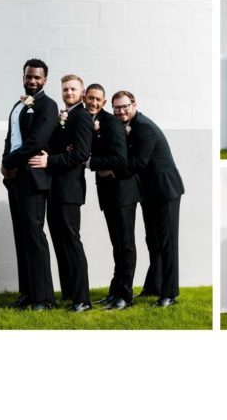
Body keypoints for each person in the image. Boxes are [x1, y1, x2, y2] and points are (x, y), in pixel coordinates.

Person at [113, 91, 185, 308]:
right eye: (116, 108)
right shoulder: (129, 126)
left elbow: (138, 163)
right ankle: (154, 285)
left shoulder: (144, 126)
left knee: (167, 243)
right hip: (148, 192)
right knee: (152, 241)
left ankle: (169, 294)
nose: (121, 111)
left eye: (125, 106)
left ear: (134, 104)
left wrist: (110, 170)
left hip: (165, 191)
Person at [30, 74, 92, 313]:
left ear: (82, 92)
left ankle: (82, 299)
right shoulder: (63, 116)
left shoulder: (82, 117)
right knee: (60, 244)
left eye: (73, 89)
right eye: (65, 89)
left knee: (71, 243)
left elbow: (81, 154)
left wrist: (50, 160)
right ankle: (69, 293)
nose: (68, 93)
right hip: (54, 190)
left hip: (69, 191)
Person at [1, 58, 59, 311]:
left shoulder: (49, 105)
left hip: (33, 177)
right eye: (28, 76)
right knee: (21, 237)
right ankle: (27, 292)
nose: (32, 81)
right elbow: (11, 138)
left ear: (45, 79)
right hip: (15, 177)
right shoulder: (17, 105)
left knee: (35, 236)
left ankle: (44, 297)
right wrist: (5, 163)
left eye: (37, 77)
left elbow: (37, 141)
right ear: (23, 77)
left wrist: (11, 161)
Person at [84, 84, 140, 311]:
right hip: (107, 193)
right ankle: (115, 291)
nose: (93, 102)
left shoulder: (112, 122)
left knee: (125, 245)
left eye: (97, 98)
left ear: (103, 101)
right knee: (117, 245)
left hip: (123, 192)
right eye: (89, 98)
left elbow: (119, 158)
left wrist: (90, 163)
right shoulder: (94, 121)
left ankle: (125, 296)